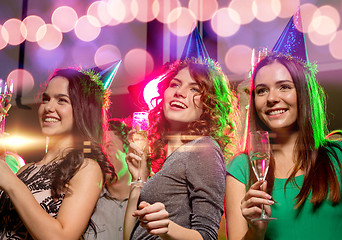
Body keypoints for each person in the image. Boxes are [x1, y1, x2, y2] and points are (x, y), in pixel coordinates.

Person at [225, 53, 342, 240]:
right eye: (262, 90)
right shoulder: (241, 168)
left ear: (305, 92)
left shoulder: (338, 155)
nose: (271, 98)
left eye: (284, 87)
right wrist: (256, 231)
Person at [124, 57, 237, 240]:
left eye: (195, 89)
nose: (180, 92)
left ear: (210, 104)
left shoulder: (203, 149)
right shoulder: (170, 158)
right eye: (175, 84)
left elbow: (207, 236)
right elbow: (131, 236)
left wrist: (167, 228)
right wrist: (138, 179)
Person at [0, 68, 115, 239]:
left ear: (81, 110)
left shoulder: (86, 168)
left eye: (62, 100)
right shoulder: (25, 170)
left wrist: (11, 184)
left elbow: (62, 237)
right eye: (46, 99)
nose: (48, 107)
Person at [84, 118, 131, 240]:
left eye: (109, 145)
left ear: (127, 150)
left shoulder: (147, 200)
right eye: (100, 149)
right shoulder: (88, 203)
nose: (103, 153)